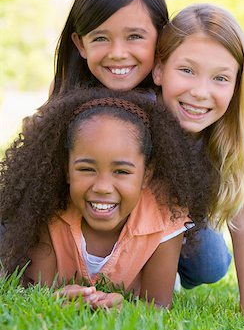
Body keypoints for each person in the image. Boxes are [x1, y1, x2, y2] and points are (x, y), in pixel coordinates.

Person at [0, 87, 217, 310]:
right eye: (86, 169)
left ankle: (175, 280)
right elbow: (36, 292)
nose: (103, 187)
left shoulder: (164, 219)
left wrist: (127, 308)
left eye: (121, 172)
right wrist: (56, 298)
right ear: (67, 170)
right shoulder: (46, 208)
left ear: (147, 174)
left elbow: (158, 306)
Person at [152, 3, 244, 318]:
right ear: (159, 69)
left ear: (236, 84)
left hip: (182, 221)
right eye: (187, 70)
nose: (201, 92)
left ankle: (171, 268)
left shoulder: (226, 132)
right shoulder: (136, 115)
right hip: (124, 218)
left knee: (211, 263)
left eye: (220, 78)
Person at [50, 0, 168, 95]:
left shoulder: (176, 99)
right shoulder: (63, 93)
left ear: (161, 37)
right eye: (100, 38)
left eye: (134, 36)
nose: (117, 54)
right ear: (81, 44)